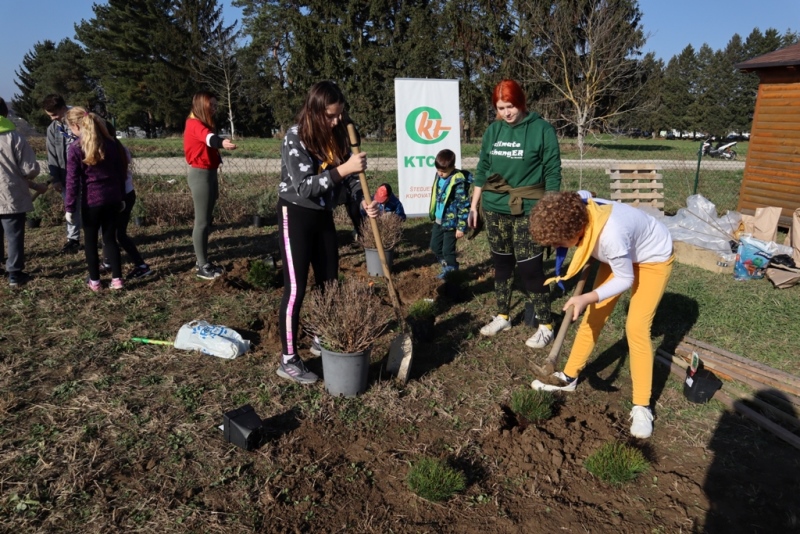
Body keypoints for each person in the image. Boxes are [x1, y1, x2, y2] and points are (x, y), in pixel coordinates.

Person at [529, 191, 674, 439]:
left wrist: (587, 296)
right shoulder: (578, 206)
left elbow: (625, 278)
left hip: (652, 258)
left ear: (577, 230)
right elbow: (584, 194)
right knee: (593, 317)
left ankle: (642, 405)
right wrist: (590, 301)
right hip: (616, 252)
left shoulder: (611, 236)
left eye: (560, 244)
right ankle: (568, 376)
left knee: (637, 329)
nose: (557, 248)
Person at [276, 80, 369, 384]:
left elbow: (352, 181)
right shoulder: (296, 137)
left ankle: (320, 337)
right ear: (315, 111)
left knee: (329, 282)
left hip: (323, 215)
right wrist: (345, 170)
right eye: (330, 116)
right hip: (297, 213)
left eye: (339, 115)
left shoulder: (338, 134)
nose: (336, 121)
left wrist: (363, 202)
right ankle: (288, 359)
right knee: (296, 287)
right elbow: (305, 187)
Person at [467, 79, 562, 349]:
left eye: (510, 106)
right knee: (501, 265)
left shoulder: (542, 130)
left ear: (520, 102)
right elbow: (483, 169)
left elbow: (553, 172)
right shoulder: (493, 131)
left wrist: (550, 210)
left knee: (531, 267)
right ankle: (503, 315)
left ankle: (546, 324)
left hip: (529, 208)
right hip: (495, 207)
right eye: (500, 107)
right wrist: (474, 206)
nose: (506, 112)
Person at [64, 107, 128, 291]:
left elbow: (72, 180)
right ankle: (117, 280)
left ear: (76, 126)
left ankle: (95, 281)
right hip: (113, 199)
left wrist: (69, 207)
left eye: (70, 128)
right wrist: (121, 196)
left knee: (90, 242)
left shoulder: (76, 148)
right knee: (110, 239)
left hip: (91, 202)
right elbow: (120, 173)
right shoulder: (110, 144)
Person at [183, 91, 237, 280]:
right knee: (202, 222)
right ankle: (202, 265)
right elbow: (209, 139)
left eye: (215, 105)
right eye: (211, 105)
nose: (214, 109)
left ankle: (202, 259)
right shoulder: (194, 124)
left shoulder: (202, 123)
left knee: (206, 219)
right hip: (201, 175)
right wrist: (222, 142)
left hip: (209, 173)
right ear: (201, 105)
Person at [0, 97, 47, 287]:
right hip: (11, 196)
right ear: (5, 113)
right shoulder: (14, 137)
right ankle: (14, 274)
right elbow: (30, 169)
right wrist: (35, 183)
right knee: (14, 235)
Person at [99, 127, 153, 281]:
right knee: (111, 233)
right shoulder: (116, 146)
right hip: (124, 194)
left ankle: (141, 266)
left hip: (121, 196)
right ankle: (110, 261)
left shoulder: (111, 149)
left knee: (117, 233)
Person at [43, 94, 81, 253]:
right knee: (70, 208)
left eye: (54, 115)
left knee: (92, 207)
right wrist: (55, 178)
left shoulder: (81, 119)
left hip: (86, 175)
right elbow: (52, 155)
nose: (52, 118)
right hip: (66, 177)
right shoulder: (53, 128)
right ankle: (73, 239)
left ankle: (104, 236)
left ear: (62, 108)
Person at [428, 149, 471, 279]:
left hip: (451, 224)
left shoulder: (458, 182)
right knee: (434, 246)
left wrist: (461, 227)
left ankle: (452, 273)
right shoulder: (439, 176)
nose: (440, 174)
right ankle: (446, 265)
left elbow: (463, 205)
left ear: (453, 167)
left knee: (448, 250)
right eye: (438, 170)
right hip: (439, 220)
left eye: (443, 171)